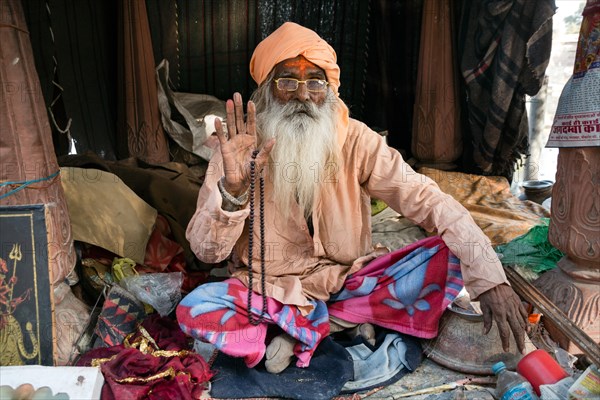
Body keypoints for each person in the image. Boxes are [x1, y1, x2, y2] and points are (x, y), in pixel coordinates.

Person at [177, 21, 528, 374]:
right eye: (288, 82)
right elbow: (208, 254)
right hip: (266, 290)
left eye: (315, 82)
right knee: (196, 308)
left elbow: (428, 200)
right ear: (268, 91)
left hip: (346, 282)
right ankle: (319, 325)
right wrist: (235, 193)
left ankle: (296, 329)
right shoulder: (239, 149)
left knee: (447, 254)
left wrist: (491, 278)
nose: (303, 95)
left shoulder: (357, 140)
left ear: (329, 90)